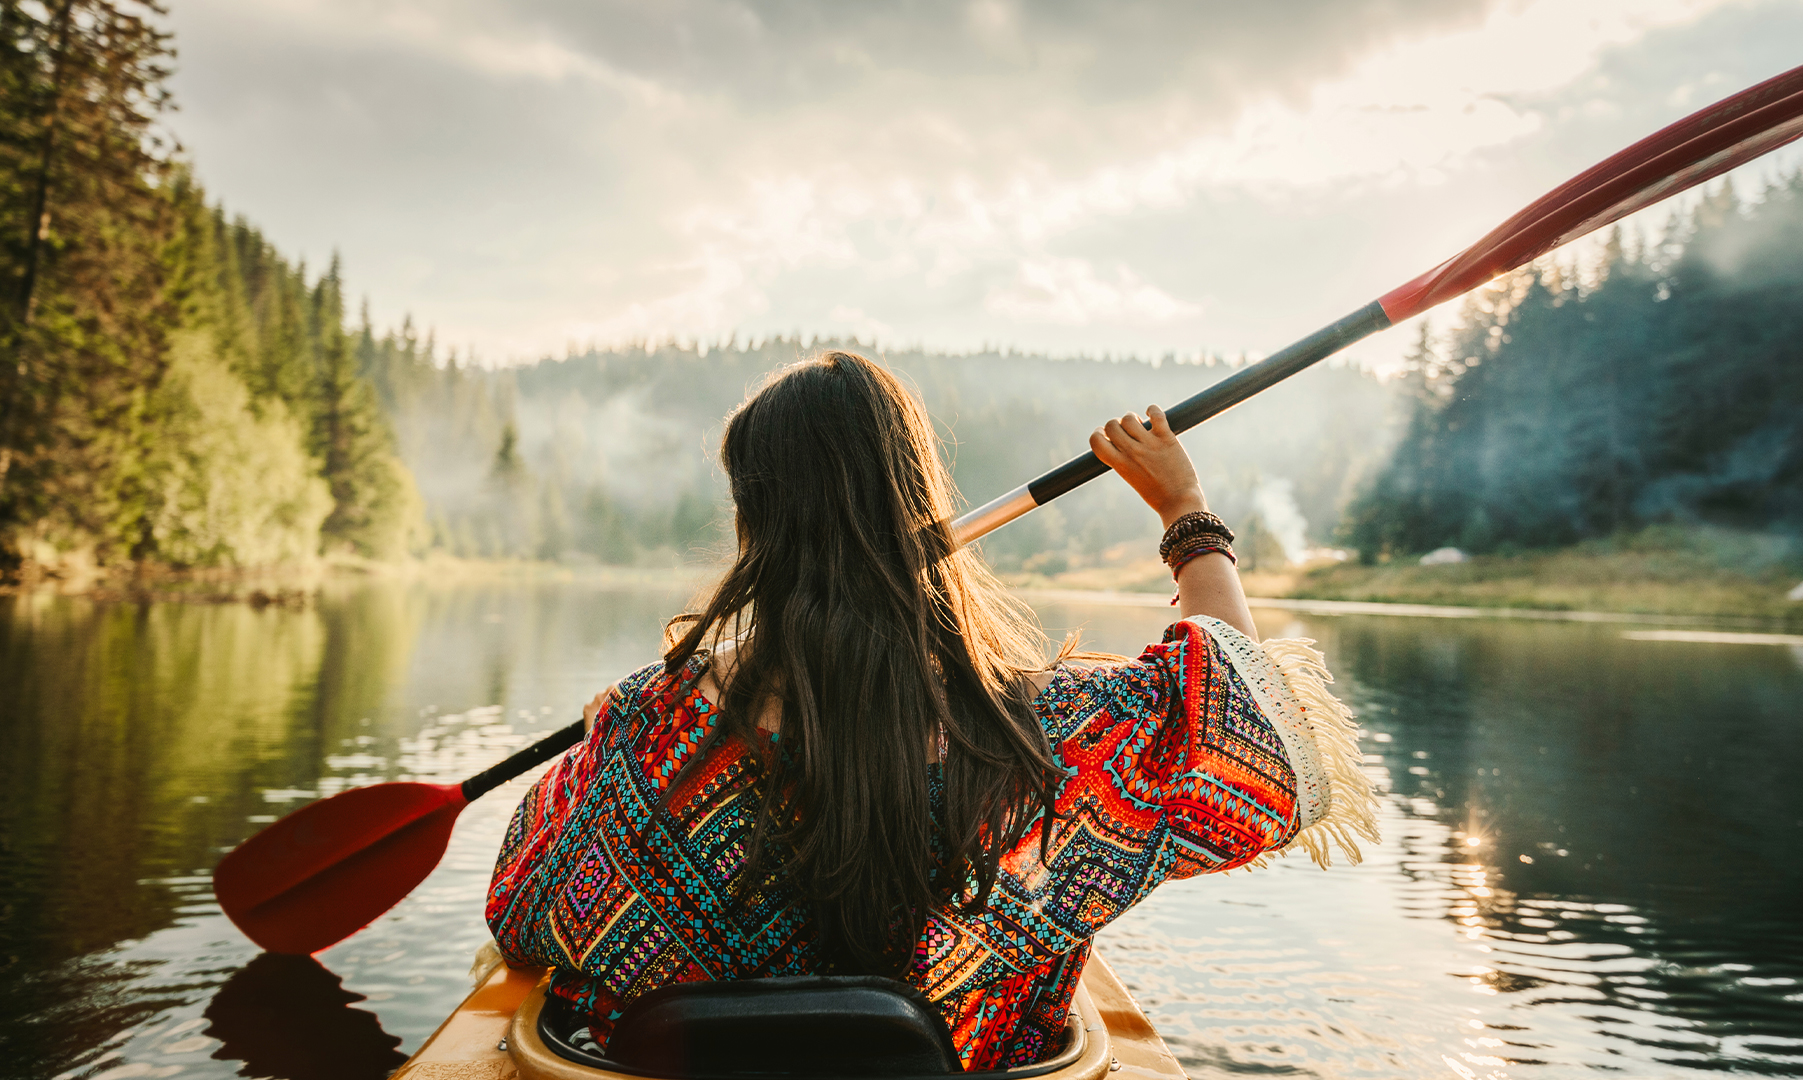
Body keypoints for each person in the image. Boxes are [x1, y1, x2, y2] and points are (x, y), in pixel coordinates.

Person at [485, 351, 1376, 1070]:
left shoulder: (648, 720)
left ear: (753, 516)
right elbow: (1245, 729)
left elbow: (520, 904)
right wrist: (1188, 516)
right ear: (918, 498)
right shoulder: (1045, 736)